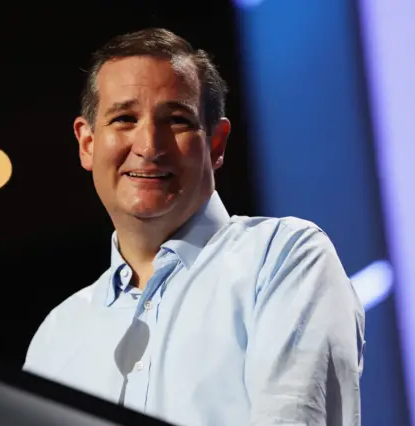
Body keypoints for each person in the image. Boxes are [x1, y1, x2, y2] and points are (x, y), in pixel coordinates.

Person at [23, 28, 365, 426]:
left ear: (216, 144)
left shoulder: (282, 259)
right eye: (124, 118)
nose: (149, 145)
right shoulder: (57, 334)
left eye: (177, 120)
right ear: (87, 143)